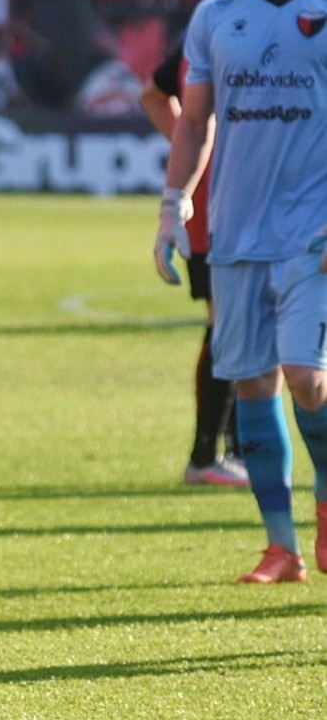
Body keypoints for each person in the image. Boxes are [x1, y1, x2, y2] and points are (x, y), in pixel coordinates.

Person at [155, 0, 327, 584]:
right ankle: (280, 546)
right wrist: (173, 207)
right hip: (234, 237)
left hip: (313, 235)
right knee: (252, 384)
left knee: (306, 379)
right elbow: (192, 123)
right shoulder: (213, 16)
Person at [140, 38, 246, 488]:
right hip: (230, 209)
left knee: (237, 327)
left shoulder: (209, 29)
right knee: (233, 327)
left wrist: (192, 143)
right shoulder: (249, 33)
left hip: (209, 207)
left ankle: (234, 449)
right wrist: (196, 144)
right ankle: (209, 454)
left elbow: (152, 95)